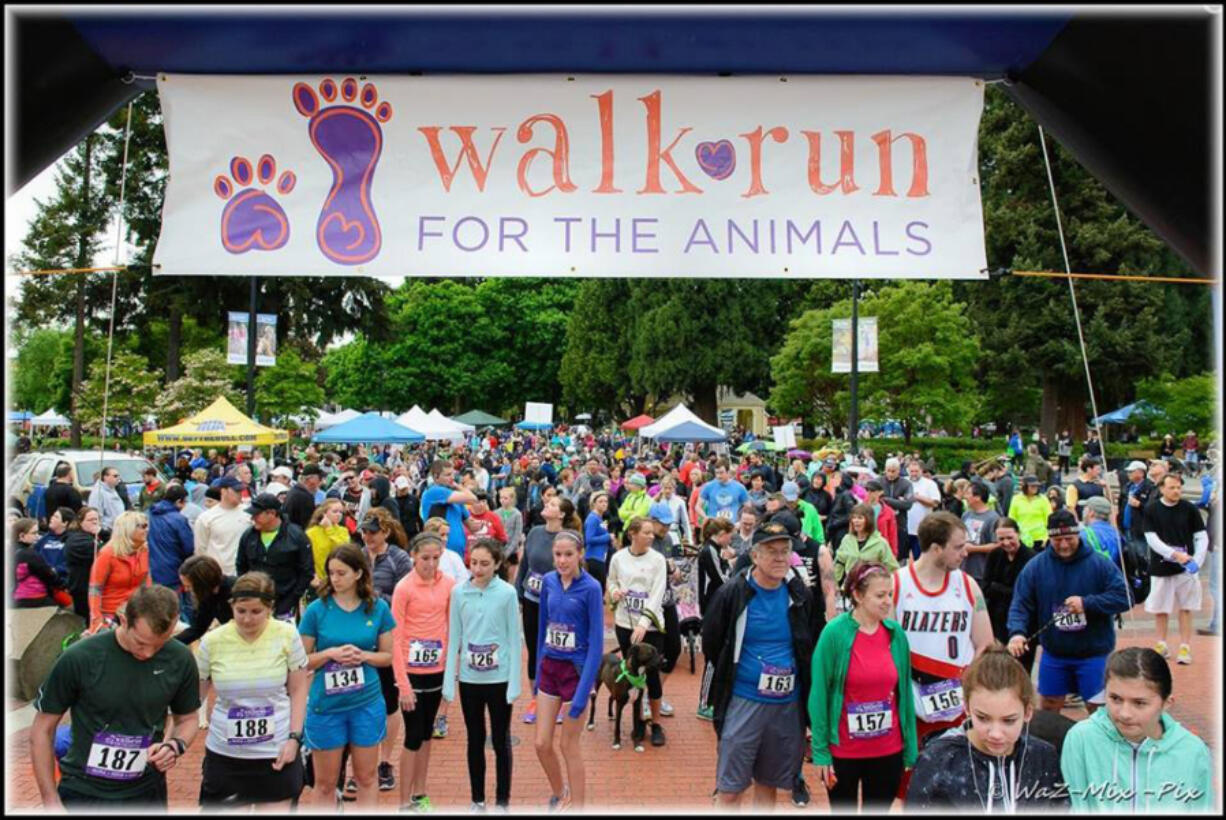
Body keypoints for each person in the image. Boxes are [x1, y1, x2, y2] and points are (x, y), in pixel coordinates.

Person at [30, 585, 200, 809]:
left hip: (146, 790)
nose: (148, 653)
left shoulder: (180, 659)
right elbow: (42, 730)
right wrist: (50, 800)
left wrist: (174, 746)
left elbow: (187, 719)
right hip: (84, 790)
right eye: (140, 642)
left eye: (159, 645)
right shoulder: (80, 657)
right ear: (123, 619)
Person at [703, 520, 825, 810]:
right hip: (745, 701)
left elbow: (809, 643)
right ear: (755, 556)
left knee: (769, 785)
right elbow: (712, 643)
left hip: (786, 705)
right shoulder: (733, 594)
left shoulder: (800, 595)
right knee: (730, 789)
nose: (781, 558)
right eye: (772, 552)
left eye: (786, 551)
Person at [195, 571, 308, 809]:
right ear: (231, 607)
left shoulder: (287, 634)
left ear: (270, 608)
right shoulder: (212, 641)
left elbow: (298, 690)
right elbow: (196, 696)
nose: (247, 619)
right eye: (241, 611)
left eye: (256, 612)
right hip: (226, 755)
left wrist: (294, 739)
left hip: (275, 752)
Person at [810, 561, 917, 812]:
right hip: (844, 751)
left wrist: (910, 748)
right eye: (880, 595)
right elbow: (819, 695)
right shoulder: (834, 633)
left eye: (890, 594)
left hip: (888, 750)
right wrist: (821, 752)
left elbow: (905, 696)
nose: (887, 601)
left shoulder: (896, 634)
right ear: (857, 595)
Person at [906, 645, 1064, 811]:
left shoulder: (1043, 758)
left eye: (1008, 721)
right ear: (966, 708)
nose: (995, 734)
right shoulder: (939, 759)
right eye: (983, 718)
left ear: (1028, 712)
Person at [299, 543, 396, 809]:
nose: (335, 579)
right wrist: (330, 653)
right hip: (326, 707)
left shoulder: (377, 608)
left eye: (341, 573)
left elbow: (387, 657)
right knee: (325, 783)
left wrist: (363, 656)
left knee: (366, 778)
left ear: (358, 574)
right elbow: (301, 661)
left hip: (366, 703)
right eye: (331, 573)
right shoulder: (316, 610)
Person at [1006, 510, 1131, 716]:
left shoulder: (1099, 564)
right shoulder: (1036, 567)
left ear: (1078, 534)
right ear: (1049, 537)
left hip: (1094, 653)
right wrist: (1017, 632)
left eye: (1069, 539)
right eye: (1057, 539)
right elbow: (1021, 603)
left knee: (1098, 710)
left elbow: (1125, 597)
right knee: (1048, 707)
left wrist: (1088, 603)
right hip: (1054, 654)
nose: (1064, 545)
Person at [1060, 647, 1214, 812]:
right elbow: (1078, 805)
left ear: (1166, 704)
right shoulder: (1081, 739)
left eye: (1139, 703)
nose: (1125, 713)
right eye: (1115, 699)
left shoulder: (1192, 751)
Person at [892, 511, 994, 749]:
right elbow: (886, 646)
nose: (965, 552)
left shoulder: (968, 585)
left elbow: (985, 643)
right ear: (936, 549)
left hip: (957, 696)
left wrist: (965, 685)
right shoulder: (897, 584)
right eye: (958, 547)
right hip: (911, 696)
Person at [442, 538, 522, 811]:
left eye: (485, 564)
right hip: (469, 679)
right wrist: (449, 680)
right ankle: (477, 798)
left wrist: (515, 682)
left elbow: (514, 638)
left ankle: (502, 800)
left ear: (498, 564)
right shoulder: (459, 593)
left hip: (499, 679)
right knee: (474, 738)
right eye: (474, 563)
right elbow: (454, 636)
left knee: (500, 739)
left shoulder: (508, 593)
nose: (477, 569)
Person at [532, 528, 604, 811]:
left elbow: (597, 642)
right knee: (541, 743)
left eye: (568, 555)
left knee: (568, 745)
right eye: (557, 555)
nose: (562, 560)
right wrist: (538, 673)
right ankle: (560, 792)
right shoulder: (549, 581)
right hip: (550, 667)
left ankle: (579, 805)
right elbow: (542, 629)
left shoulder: (591, 588)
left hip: (576, 671)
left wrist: (585, 691)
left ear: (580, 555)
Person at [389, 531, 455, 812]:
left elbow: (452, 628)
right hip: (411, 671)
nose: (430, 564)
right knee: (413, 735)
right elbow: (395, 636)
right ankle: (404, 801)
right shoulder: (404, 588)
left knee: (427, 734)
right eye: (425, 558)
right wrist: (402, 683)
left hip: (437, 669)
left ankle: (420, 793)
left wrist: (451, 673)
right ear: (413, 556)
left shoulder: (449, 584)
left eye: (436, 558)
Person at [607, 515, 672, 747]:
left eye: (652, 533)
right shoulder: (618, 558)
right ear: (632, 534)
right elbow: (611, 581)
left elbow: (657, 592)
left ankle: (655, 723)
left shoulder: (658, 560)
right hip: (625, 623)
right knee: (632, 674)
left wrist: (645, 622)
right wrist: (614, 592)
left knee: (652, 675)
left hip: (651, 626)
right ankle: (637, 720)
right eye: (646, 532)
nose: (651, 536)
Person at [1143, 473, 1208, 664]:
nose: (1176, 491)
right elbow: (1151, 538)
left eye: (1179, 487)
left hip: (1186, 568)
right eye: (1172, 487)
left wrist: (1197, 560)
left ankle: (1185, 646)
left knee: (1186, 607)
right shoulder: (1152, 509)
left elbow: (1201, 536)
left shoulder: (1189, 509)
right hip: (1162, 566)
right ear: (1162, 488)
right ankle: (1161, 643)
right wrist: (1173, 554)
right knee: (1160, 607)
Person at [514, 494, 565, 725]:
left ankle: (561, 699)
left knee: (556, 649)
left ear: (562, 514)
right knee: (534, 649)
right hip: (532, 599)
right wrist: (518, 592)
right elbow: (524, 565)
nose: (547, 505)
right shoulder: (534, 532)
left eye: (553, 504)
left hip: (556, 604)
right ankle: (536, 698)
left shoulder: (568, 538)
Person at [235, 493, 314, 621]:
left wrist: (291, 600)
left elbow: (307, 571)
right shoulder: (248, 536)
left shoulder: (297, 536)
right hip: (255, 600)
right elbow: (241, 565)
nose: (253, 518)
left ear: (271, 513)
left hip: (286, 601)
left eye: (257, 514)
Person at [982, 519, 1036, 674]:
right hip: (996, 620)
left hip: (1024, 622)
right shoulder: (994, 555)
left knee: (1021, 668)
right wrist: (1006, 590)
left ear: (1018, 534)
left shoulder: (1030, 558)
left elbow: (1026, 594)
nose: (1006, 543)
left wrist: (997, 587)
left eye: (1010, 538)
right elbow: (985, 587)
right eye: (1001, 539)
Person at [696, 517, 737, 721]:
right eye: (730, 536)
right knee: (712, 656)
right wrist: (731, 564)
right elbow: (722, 579)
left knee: (719, 654)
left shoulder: (714, 550)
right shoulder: (708, 550)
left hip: (716, 608)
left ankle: (714, 700)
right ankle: (704, 703)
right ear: (721, 534)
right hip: (711, 609)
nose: (731, 540)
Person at [87, 510, 152, 633]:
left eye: (147, 526)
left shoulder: (144, 550)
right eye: (143, 526)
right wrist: (97, 620)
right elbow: (94, 589)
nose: (147, 529)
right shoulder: (107, 554)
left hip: (137, 611)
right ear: (128, 529)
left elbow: (147, 584)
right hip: (111, 615)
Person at [146, 483, 196, 613]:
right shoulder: (179, 519)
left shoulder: (149, 514)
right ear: (179, 501)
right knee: (178, 609)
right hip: (174, 571)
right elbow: (189, 547)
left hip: (152, 569)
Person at [419, 460, 480, 562]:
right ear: (436, 476)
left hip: (458, 553)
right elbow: (472, 498)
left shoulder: (455, 498)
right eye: (447, 475)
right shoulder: (433, 491)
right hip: (439, 552)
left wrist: (479, 524)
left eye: (453, 474)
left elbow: (471, 526)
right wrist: (457, 486)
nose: (452, 478)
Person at [833, 503, 898, 598]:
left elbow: (892, 568)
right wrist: (834, 584)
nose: (856, 521)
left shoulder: (880, 543)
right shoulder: (847, 540)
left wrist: (886, 589)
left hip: (872, 591)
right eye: (854, 518)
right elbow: (839, 563)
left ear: (868, 520)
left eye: (860, 518)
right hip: (850, 590)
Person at [192, 476, 252, 575]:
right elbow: (200, 550)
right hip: (219, 575)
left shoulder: (248, 513)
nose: (240, 494)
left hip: (244, 574)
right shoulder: (206, 518)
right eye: (236, 491)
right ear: (224, 491)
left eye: (241, 491)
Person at [175, 554, 235, 645]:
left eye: (189, 586)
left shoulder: (236, 590)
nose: (186, 590)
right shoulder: (206, 596)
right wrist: (168, 645)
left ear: (202, 583)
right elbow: (197, 629)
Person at [13, 516, 67, 607]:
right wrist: (63, 585)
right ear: (21, 536)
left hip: (14, 598)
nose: (37, 536)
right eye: (34, 533)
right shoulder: (29, 555)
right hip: (34, 597)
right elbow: (48, 574)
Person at [306, 498, 351, 589]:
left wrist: (329, 529)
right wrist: (312, 575)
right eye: (335, 511)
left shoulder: (343, 531)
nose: (339, 515)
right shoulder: (311, 533)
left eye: (341, 512)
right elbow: (307, 558)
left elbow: (344, 551)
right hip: (319, 581)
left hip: (339, 579)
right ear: (324, 514)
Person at [698, 459, 751, 524]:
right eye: (717, 473)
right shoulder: (708, 486)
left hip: (731, 526)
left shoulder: (739, 487)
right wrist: (706, 517)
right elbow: (698, 507)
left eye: (721, 472)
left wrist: (740, 523)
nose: (719, 476)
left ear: (728, 472)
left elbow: (749, 508)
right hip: (714, 526)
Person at [1007, 475, 1052, 551]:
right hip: (1022, 538)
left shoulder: (1043, 499)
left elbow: (1049, 518)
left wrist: (1047, 537)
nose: (1035, 488)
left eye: (1036, 486)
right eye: (1032, 486)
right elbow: (1012, 519)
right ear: (1025, 486)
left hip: (1040, 538)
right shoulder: (1016, 499)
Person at [582, 490, 612, 591]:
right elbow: (589, 539)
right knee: (597, 589)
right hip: (594, 558)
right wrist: (608, 537)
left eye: (606, 501)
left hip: (601, 557)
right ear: (594, 503)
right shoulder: (592, 518)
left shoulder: (601, 518)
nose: (604, 504)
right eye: (601, 501)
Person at [34, 506, 73, 581]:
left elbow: (71, 563)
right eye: (53, 515)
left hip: (60, 580)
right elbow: (35, 555)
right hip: (42, 578)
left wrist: (55, 570)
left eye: (56, 517)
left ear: (65, 523)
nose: (51, 518)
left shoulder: (71, 540)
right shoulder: (45, 538)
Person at [282, 463, 325, 531]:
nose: (320, 482)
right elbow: (307, 525)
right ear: (310, 479)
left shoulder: (293, 491)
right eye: (319, 479)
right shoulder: (305, 497)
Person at [1065, 456, 1106, 521]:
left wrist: (1106, 487)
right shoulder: (1074, 486)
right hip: (1083, 522)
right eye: (1097, 469)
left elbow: (1109, 502)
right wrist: (1077, 523)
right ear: (1089, 469)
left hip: (1099, 521)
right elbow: (1070, 507)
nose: (1099, 472)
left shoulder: (1099, 484)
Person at [89, 466, 127, 537]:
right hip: (107, 533)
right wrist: (102, 532)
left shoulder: (112, 489)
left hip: (119, 530)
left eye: (118, 476)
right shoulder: (98, 492)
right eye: (115, 476)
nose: (118, 478)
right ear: (105, 477)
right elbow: (96, 514)